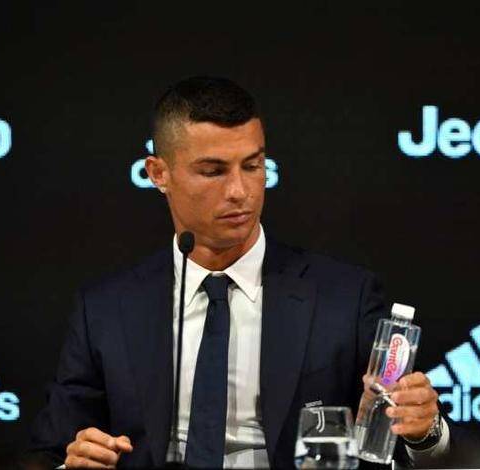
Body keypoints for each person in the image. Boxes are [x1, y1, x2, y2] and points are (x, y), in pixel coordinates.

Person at [29, 76, 452, 468]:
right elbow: (53, 449)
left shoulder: (344, 297)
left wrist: (424, 430)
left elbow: (409, 437)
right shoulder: (106, 309)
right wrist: (74, 462)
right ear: (158, 173)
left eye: (252, 166)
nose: (239, 191)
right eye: (213, 171)